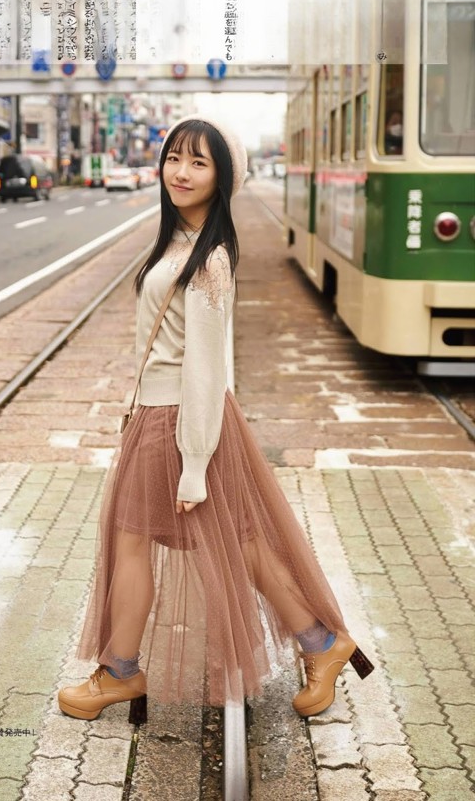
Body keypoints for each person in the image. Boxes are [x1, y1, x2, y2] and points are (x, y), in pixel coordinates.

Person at [57, 116, 374, 725]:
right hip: (166, 414)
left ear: (221, 177)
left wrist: (195, 462)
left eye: (198, 163)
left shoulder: (208, 260)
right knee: (238, 543)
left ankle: (120, 673)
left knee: (134, 543)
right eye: (174, 157)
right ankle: (320, 643)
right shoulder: (180, 240)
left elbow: (206, 366)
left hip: (180, 419)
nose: (180, 171)